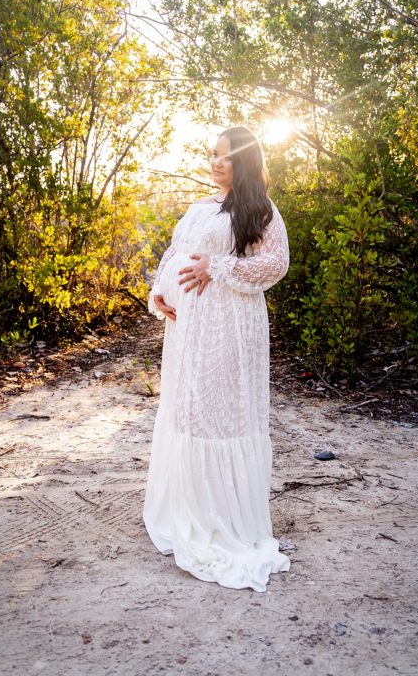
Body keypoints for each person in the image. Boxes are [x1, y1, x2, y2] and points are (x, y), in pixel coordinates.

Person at [143, 125, 291, 592]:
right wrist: (158, 293)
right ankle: (187, 509)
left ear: (244, 162)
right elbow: (175, 254)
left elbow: (276, 264)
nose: (216, 163)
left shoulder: (260, 210)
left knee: (217, 414)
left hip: (228, 328)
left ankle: (222, 520)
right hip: (187, 330)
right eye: (213, 154)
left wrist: (219, 266)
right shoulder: (200, 207)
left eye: (227, 157)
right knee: (187, 410)